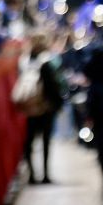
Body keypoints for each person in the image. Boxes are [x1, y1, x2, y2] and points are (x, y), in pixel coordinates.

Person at [20, 31, 66, 184]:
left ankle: (32, 174)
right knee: (45, 141)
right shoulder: (47, 61)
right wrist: (58, 104)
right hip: (45, 107)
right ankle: (45, 174)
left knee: (29, 142)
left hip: (29, 107)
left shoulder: (24, 61)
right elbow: (53, 85)